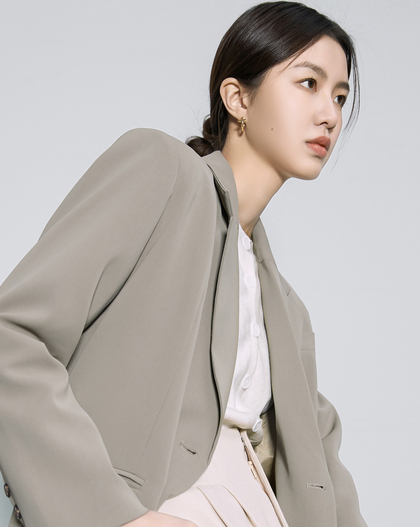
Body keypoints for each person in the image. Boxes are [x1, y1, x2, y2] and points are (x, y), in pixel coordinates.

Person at [0, 2, 367, 526]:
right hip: (154, 504)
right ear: (238, 98)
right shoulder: (162, 171)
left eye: (340, 96)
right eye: (308, 83)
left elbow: (322, 461)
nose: (329, 114)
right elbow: (11, 336)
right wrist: (114, 516)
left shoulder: (286, 310)